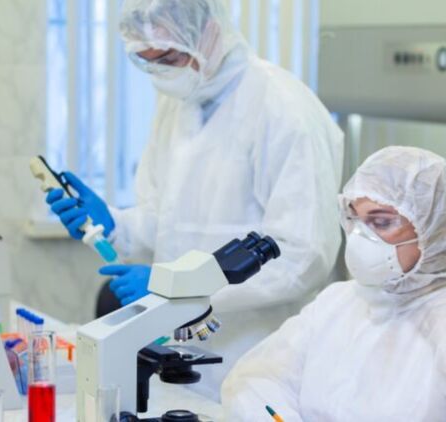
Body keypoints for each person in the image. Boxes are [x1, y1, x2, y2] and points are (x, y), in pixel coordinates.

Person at [45, 0, 343, 398]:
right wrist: (113, 225)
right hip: (178, 354)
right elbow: (164, 219)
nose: (161, 73)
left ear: (210, 31)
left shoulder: (285, 110)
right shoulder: (179, 102)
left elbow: (303, 256)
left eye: (168, 57)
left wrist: (179, 288)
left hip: (255, 357)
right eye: (147, 61)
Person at [221, 146, 446, 421]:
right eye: (355, 219)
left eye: (381, 222)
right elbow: (256, 381)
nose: (360, 237)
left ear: (433, 229)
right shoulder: (335, 304)